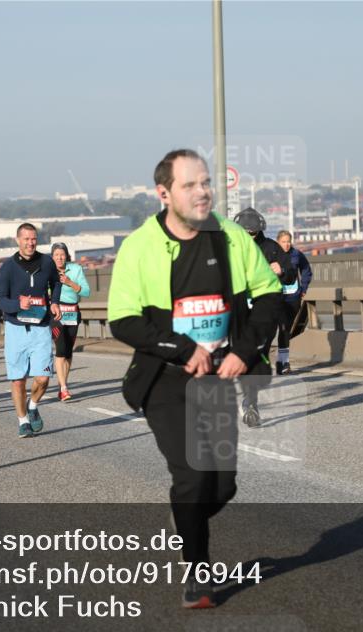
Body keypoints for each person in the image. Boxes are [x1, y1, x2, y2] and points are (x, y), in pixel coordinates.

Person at [108, 149, 281, 608]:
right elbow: (122, 320)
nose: (202, 192)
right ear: (164, 194)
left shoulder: (230, 237)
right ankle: (198, 574)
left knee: (222, 485)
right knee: (194, 473)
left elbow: (269, 295)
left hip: (219, 376)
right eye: (190, 185)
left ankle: (186, 518)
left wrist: (244, 351)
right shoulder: (140, 246)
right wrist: (184, 349)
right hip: (165, 379)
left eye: (205, 182)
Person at [0, 223, 62, 437]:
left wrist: (54, 302)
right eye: (26, 239)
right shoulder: (8, 267)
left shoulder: (47, 262)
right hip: (16, 329)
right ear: (18, 240)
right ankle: (23, 421)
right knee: (18, 380)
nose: (30, 243)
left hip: (41, 327)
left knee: (43, 378)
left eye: (34, 239)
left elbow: (56, 283)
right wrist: (17, 305)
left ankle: (33, 405)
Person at [233, 207, 296, 427]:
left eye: (253, 233)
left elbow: (291, 275)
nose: (250, 236)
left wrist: (282, 270)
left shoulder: (272, 248)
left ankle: (251, 403)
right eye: (245, 233)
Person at [50, 242, 90, 400]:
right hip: (56, 313)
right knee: (60, 350)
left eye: (62, 254)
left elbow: (86, 292)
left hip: (73, 312)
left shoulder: (76, 269)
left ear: (67, 256)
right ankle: (64, 388)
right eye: (56, 255)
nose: (59, 258)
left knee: (68, 352)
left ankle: (62, 385)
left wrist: (70, 282)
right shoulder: (48, 271)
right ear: (52, 257)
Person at [275, 230, 313, 374]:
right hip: (276, 297)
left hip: (292, 298)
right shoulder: (272, 255)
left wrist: (303, 288)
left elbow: (306, 270)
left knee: (285, 329)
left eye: (288, 241)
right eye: (283, 242)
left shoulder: (296, 254)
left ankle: (283, 362)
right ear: (278, 242)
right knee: (276, 329)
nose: (286, 244)